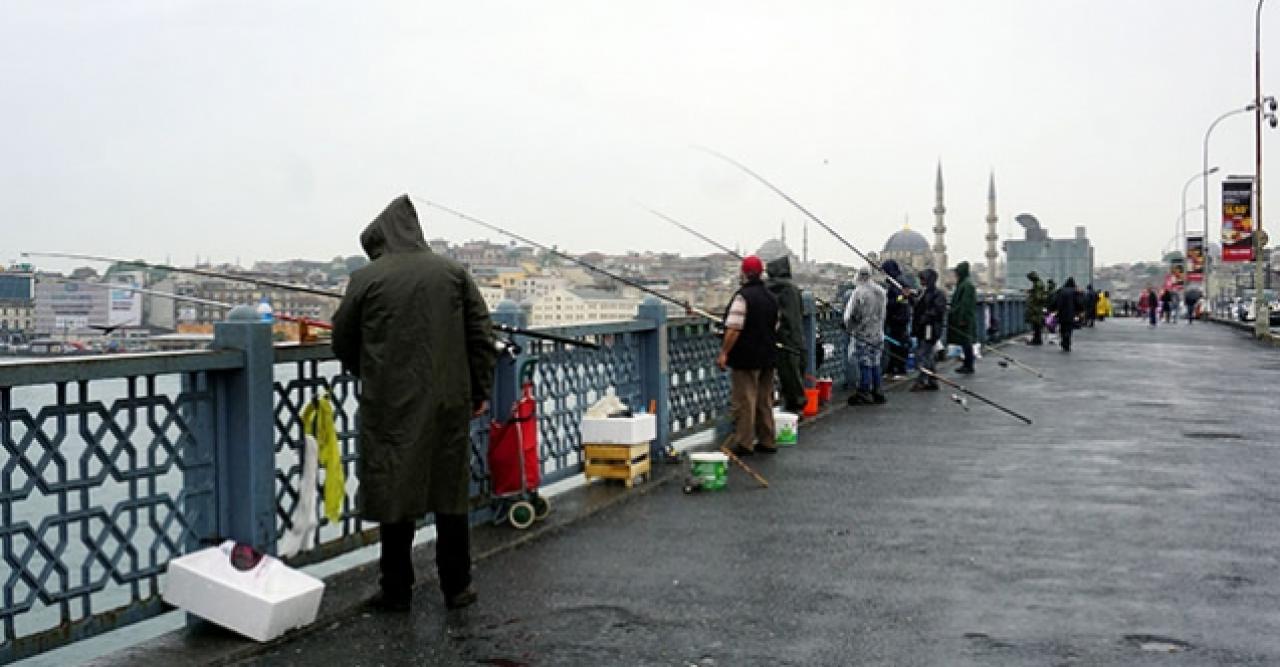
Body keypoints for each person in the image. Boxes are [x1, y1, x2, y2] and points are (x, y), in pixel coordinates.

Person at [332, 195, 496, 612]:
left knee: (395, 492)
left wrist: (371, 372)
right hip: (448, 402)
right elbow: (480, 336)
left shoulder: (365, 279)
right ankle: (457, 587)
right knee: (449, 493)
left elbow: (343, 341)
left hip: (390, 404)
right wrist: (479, 391)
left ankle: (396, 589)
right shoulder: (454, 273)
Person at [717, 255, 779, 457]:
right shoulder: (771, 297)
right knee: (764, 399)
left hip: (746, 357)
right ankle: (767, 439)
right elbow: (776, 325)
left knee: (745, 400)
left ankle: (744, 442)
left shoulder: (743, 297)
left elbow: (734, 328)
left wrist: (724, 353)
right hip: (768, 356)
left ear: (743, 273)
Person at [765, 256, 806, 415]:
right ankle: (796, 407)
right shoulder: (793, 289)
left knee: (785, 373)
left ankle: (791, 407)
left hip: (780, 338)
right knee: (794, 372)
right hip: (796, 337)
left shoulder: (775, 288)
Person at [844, 266, 888, 404]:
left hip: (863, 333)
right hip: (878, 332)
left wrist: (849, 326)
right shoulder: (881, 291)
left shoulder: (860, 292)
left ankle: (864, 391)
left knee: (865, 363)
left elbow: (854, 314)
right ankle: (878, 390)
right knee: (875, 362)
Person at [909, 267, 947, 392]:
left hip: (929, 328)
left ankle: (922, 380)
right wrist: (909, 297)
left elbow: (938, 310)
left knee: (922, 354)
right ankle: (932, 380)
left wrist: (925, 317)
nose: (921, 282)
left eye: (923, 279)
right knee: (928, 354)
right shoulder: (923, 292)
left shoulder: (937, 294)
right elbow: (916, 305)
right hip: (922, 328)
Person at [881, 260, 912, 380]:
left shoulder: (898, 282)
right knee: (897, 344)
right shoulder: (898, 280)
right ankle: (893, 368)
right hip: (899, 317)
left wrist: (892, 302)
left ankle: (899, 369)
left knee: (898, 345)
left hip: (898, 318)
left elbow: (901, 299)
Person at [947, 261, 978, 374]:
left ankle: (968, 365)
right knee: (965, 341)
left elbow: (966, 304)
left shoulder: (967, 285)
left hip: (964, 319)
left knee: (966, 342)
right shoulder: (964, 284)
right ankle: (967, 363)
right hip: (961, 317)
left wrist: (962, 319)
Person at [1051, 277, 1080, 352]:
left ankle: (1063, 340)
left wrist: (1052, 310)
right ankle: (1067, 343)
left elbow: (1054, 301)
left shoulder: (1060, 290)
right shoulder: (1075, 291)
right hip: (1071, 314)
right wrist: (1079, 311)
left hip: (1061, 313)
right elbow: (1078, 302)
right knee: (1069, 328)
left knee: (1062, 327)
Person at [1025, 271, 1048, 345]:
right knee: (1037, 323)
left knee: (1036, 323)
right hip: (1038, 307)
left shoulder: (1037, 284)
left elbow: (1038, 297)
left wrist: (1031, 297)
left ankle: (1037, 340)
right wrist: (1030, 291)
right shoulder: (1039, 283)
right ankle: (1037, 339)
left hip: (1036, 307)